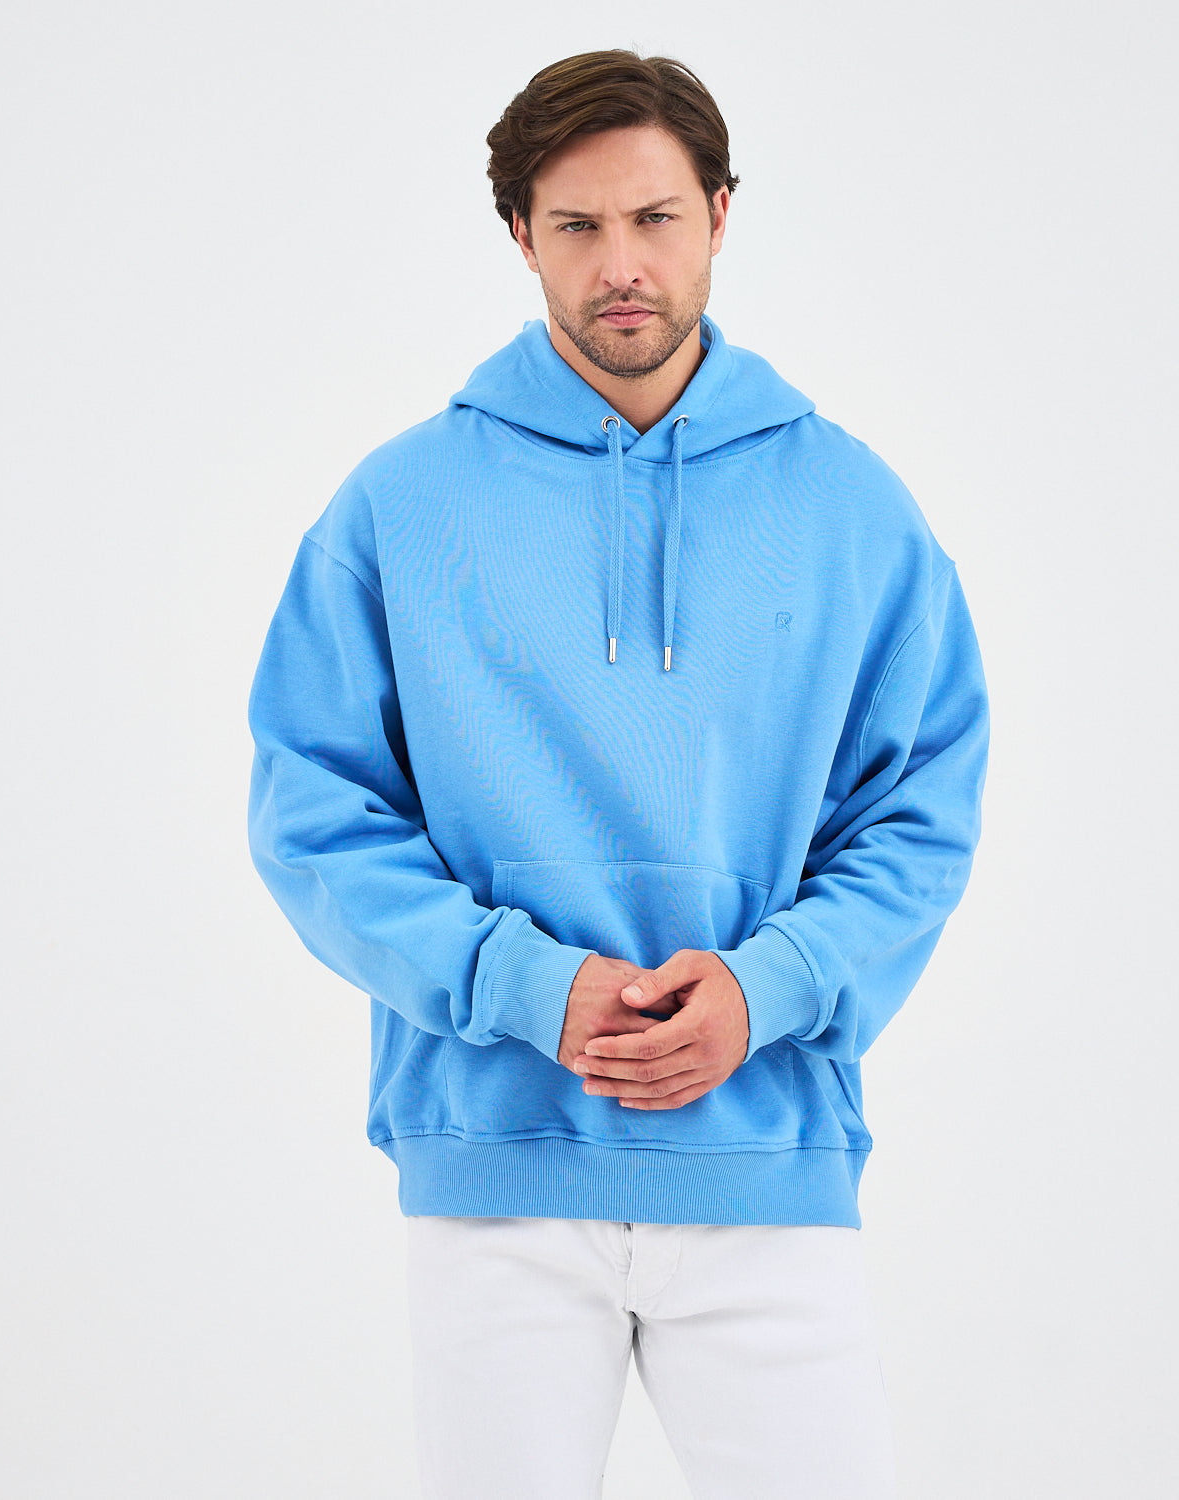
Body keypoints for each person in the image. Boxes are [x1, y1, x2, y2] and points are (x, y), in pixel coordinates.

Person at [246, 47, 989, 1500]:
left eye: (655, 218)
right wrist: (527, 986)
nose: (621, 267)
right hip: (496, 1155)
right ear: (521, 236)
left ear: (720, 214)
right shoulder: (401, 504)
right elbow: (314, 809)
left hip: (767, 1155)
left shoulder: (852, 508)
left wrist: (770, 989)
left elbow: (920, 810)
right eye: (577, 226)